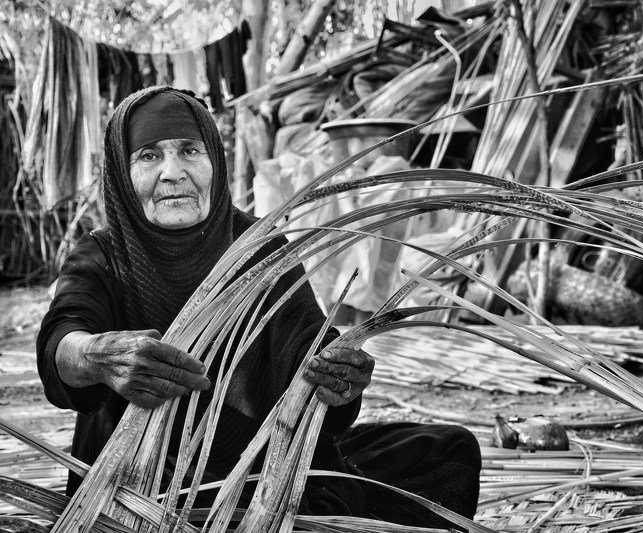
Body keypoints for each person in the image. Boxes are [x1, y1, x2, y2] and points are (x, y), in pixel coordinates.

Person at [37, 86, 480, 526]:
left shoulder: (258, 248)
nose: (172, 173)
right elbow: (62, 339)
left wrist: (339, 376)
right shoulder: (102, 257)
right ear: (121, 171)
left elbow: (309, 346)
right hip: (142, 485)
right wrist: (95, 356)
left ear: (215, 160)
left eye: (189, 151)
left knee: (448, 453)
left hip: (263, 473)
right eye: (149, 156)